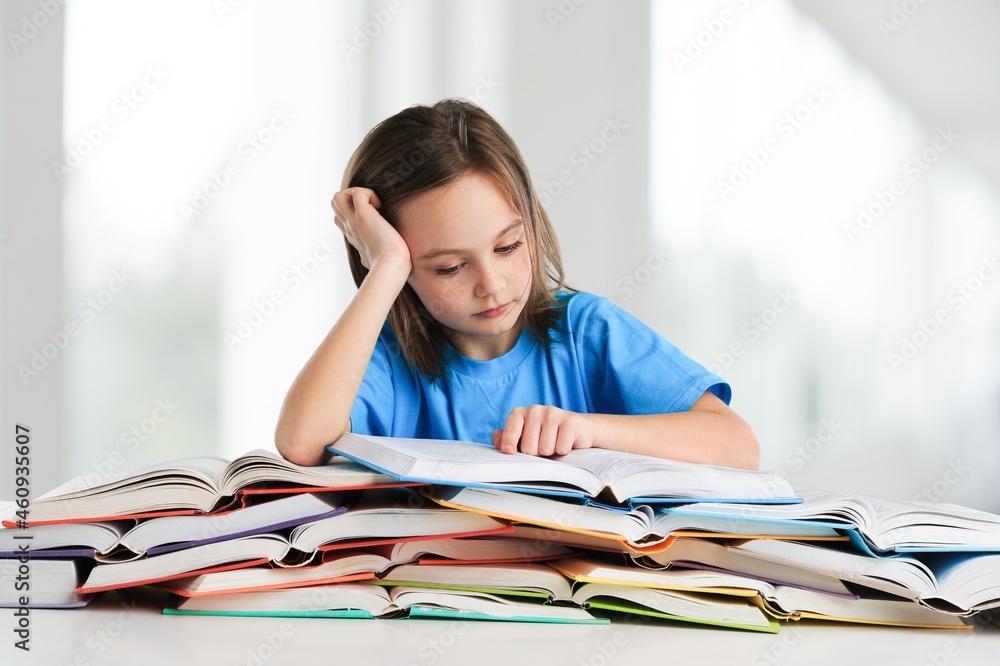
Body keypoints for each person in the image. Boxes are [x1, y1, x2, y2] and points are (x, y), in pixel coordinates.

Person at [275, 99, 759, 469]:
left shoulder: (586, 331)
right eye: (449, 268)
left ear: (530, 221)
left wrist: (587, 430)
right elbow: (301, 442)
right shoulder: (386, 359)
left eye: (507, 247)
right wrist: (385, 265)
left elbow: (738, 447)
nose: (491, 284)